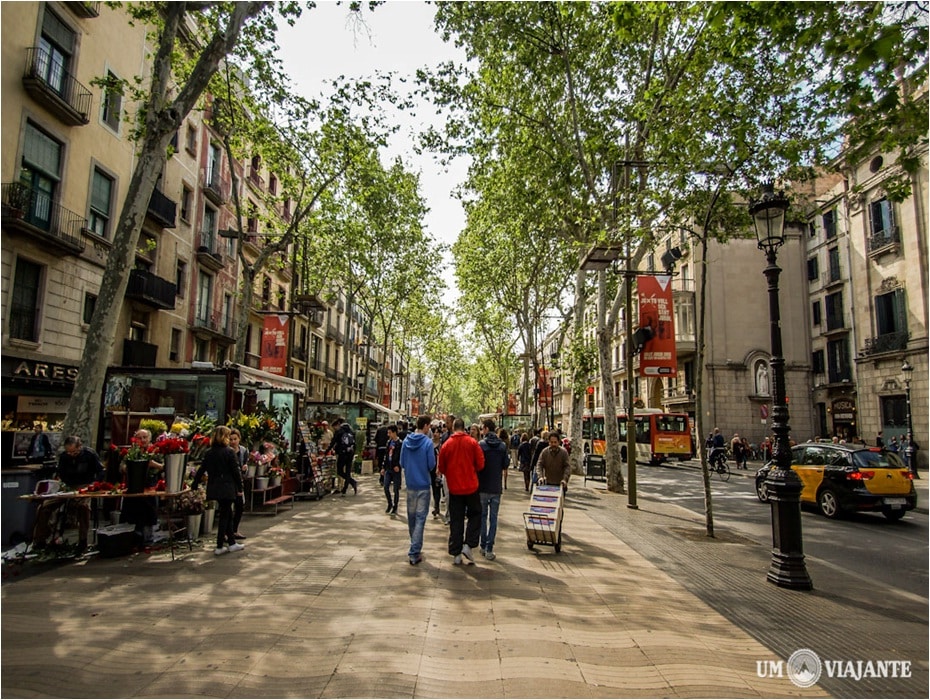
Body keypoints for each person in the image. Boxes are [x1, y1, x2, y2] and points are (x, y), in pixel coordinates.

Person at [32, 436, 103, 552]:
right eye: (69, 452)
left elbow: (100, 471)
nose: (71, 455)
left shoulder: (89, 454)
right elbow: (60, 472)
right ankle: (40, 540)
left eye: (74, 452)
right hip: (67, 485)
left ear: (80, 447)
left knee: (83, 507)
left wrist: (94, 484)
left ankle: (83, 541)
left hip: (84, 484)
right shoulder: (64, 457)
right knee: (44, 507)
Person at [438, 418, 484, 565]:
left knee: (456, 520)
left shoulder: (446, 445)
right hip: (471, 487)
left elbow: (441, 468)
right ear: (464, 428)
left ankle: (456, 553)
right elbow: (481, 464)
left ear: (453, 429)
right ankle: (468, 544)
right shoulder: (472, 443)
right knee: (475, 515)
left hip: (454, 488)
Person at [191, 426, 244, 556]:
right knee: (225, 515)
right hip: (227, 487)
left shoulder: (209, 452)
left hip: (215, 486)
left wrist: (195, 484)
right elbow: (235, 471)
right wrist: (240, 487)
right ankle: (220, 545)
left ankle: (231, 542)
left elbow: (201, 469)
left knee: (227, 513)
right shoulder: (229, 452)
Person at [399, 415, 436, 565]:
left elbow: (402, 462)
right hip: (423, 486)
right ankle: (414, 551)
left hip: (410, 485)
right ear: (426, 426)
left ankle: (415, 546)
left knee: (412, 517)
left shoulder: (406, 442)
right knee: (421, 518)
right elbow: (431, 465)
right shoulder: (428, 443)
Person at [478, 419, 509, 561]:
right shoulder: (502, 446)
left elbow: (477, 465)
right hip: (496, 487)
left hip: (483, 486)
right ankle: (490, 548)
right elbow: (505, 464)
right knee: (494, 519)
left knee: (483, 517)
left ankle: (483, 546)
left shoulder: (481, 445)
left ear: (485, 429)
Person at [229, 428, 249, 540]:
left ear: (239, 439)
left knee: (240, 507)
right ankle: (228, 532)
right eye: (231, 439)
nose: (233, 441)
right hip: (230, 482)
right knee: (228, 508)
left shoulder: (243, 451)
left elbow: (245, 465)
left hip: (239, 481)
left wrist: (245, 469)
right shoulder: (227, 451)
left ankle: (235, 530)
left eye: (235, 439)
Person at [331, 417, 358, 496]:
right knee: (348, 471)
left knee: (340, 471)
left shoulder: (339, 432)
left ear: (338, 424)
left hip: (342, 454)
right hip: (350, 453)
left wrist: (327, 451)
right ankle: (345, 489)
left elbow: (333, 442)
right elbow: (354, 443)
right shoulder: (351, 431)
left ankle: (352, 482)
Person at [380, 424, 402, 515]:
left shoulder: (400, 443)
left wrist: (399, 466)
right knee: (386, 487)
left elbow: (402, 456)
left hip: (396, 469)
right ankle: (390, 503)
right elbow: (386, 455)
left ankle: (395, 506)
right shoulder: (389, 442)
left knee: (396, 489)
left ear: (394, 432)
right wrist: (383, 467)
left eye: (389, 433)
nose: (388, 434)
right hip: (388, 468)